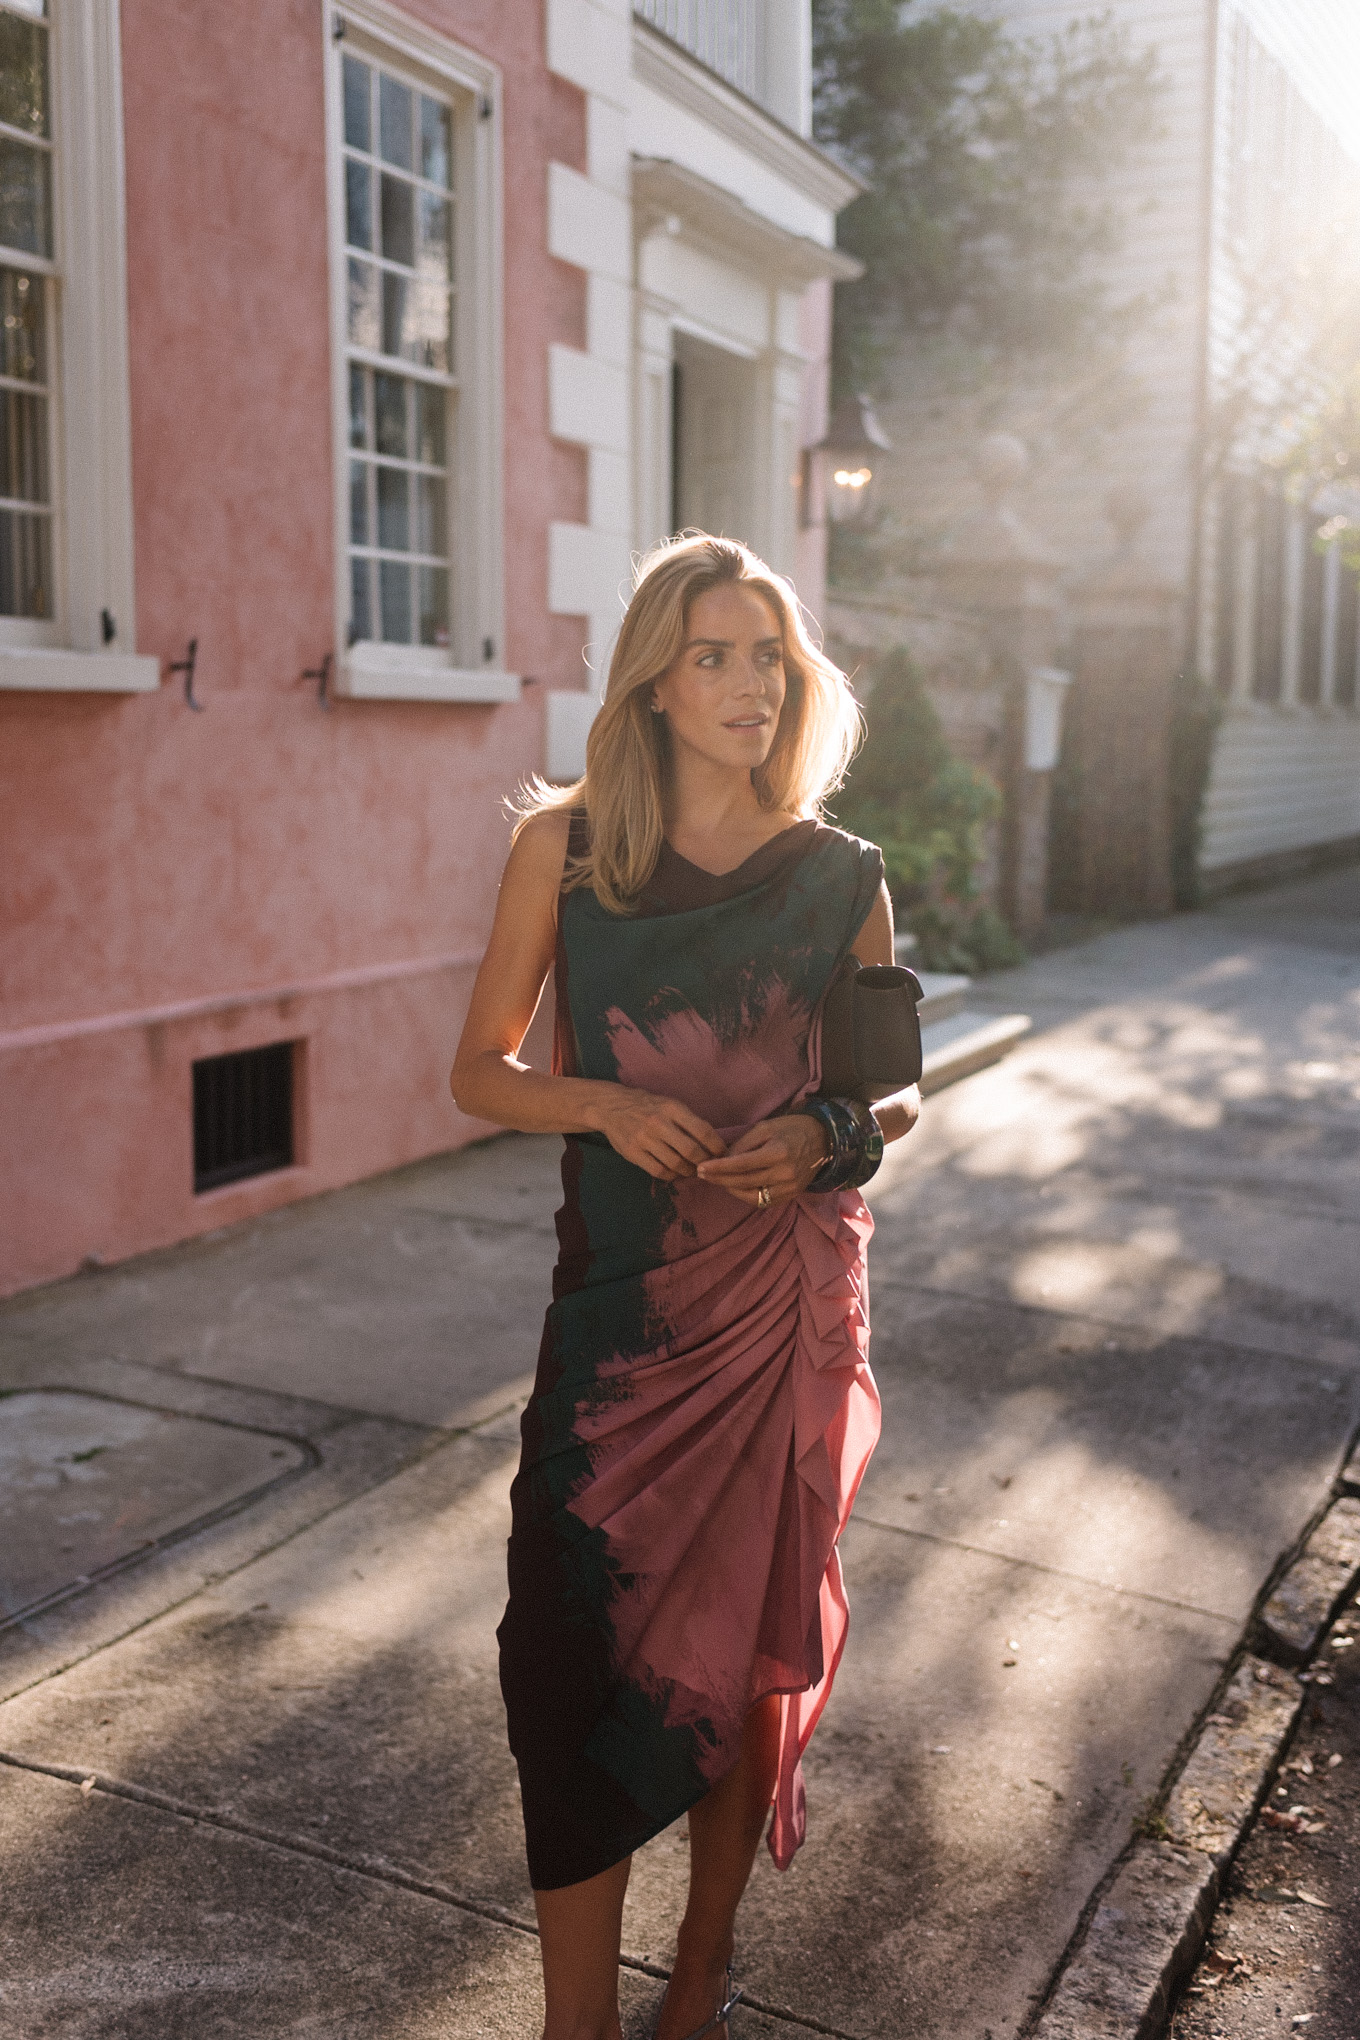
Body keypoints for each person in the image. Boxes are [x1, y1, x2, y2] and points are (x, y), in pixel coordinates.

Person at [450, 533, 921, 2040]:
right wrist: (596, 1105)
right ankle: (571, 2024)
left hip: (778, 1314)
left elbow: (891, 1099)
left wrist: (819, 1132)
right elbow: (479, 1073)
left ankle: (699, 1983)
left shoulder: (841, 875)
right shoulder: (569, 852)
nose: (747, 684)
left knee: (744, 1650)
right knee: (563, 1656)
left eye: (768, 656)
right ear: (652, 680)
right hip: (617, 1327)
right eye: (713, 655)